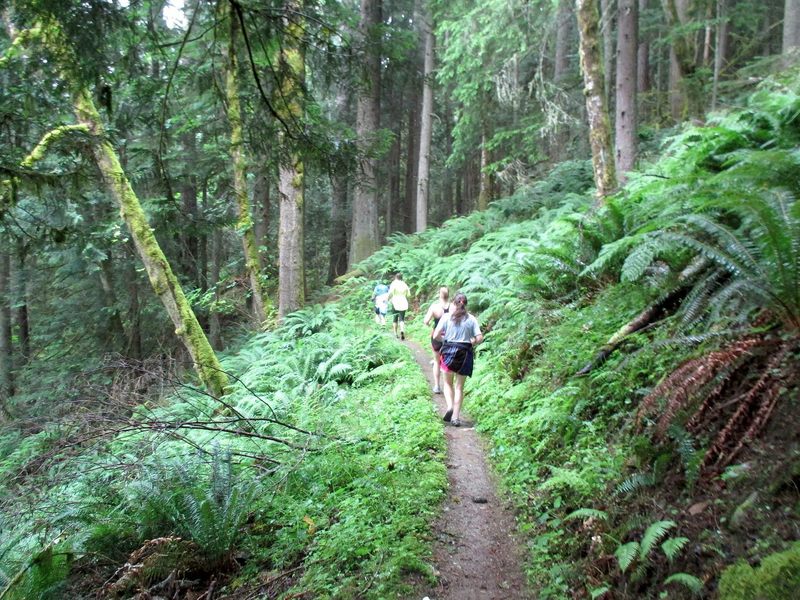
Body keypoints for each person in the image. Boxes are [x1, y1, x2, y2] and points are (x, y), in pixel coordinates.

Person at [432, 292, 483, 427]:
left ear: (454, 304)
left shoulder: (446, 317)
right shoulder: (471, 319)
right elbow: (479, 338)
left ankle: (450, 406)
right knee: (459, 387)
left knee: (448, 384)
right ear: (465, 305)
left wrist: (445, 341)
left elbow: (436, 335)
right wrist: (471, 341)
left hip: (448, 352)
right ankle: (455, 417)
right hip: (465, 354)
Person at [423, 286, 451, 394]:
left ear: (439, 294)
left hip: (436, 336)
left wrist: (430, 324)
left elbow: (425, 321)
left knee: (436, 361)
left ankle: (437, 386)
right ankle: (448, 386)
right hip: (450, 337)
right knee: (447, 361)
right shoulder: (453, 307)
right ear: (448, 295)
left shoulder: (434, 307)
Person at [387, 272, 410, 340]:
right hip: (403, 302)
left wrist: (387, 299)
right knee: (401, 318)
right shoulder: (404, 284)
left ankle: (395, 333)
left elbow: (390, 293)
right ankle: (402, 331)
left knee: (395, 318)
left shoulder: (394, 283)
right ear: (401, 278)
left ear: (396, 277)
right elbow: (408, 295)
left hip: (395, 302)